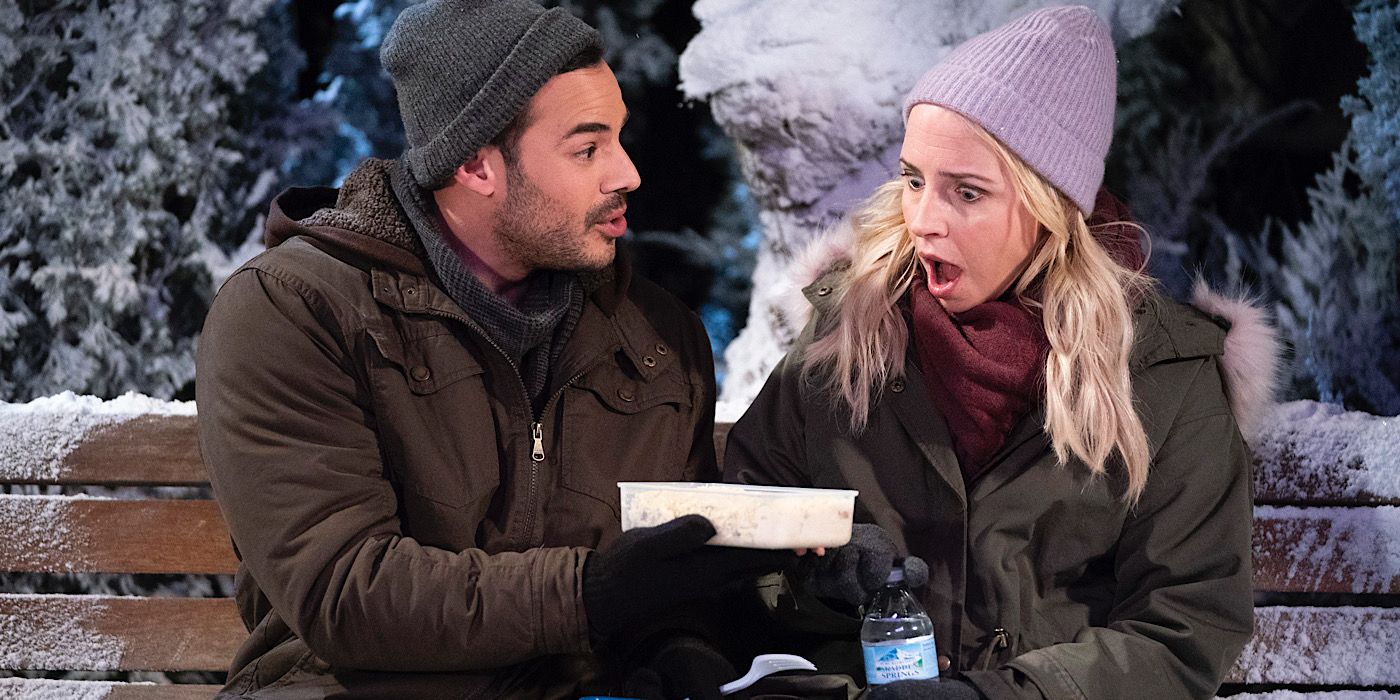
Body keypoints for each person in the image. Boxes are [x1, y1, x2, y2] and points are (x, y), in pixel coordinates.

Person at [197, 1, 791, 697]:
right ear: (476, 164)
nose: (626, 173)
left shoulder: (656, 340)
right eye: (587, 148)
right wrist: (586, 594)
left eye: (620, 139)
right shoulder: (294, 311)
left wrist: (688, 652)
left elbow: (664, 579)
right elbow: (345, 594)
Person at [724, 6, 1277, 699]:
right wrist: (818, 578)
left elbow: (1184, 626)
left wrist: (999, 695)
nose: (924, 219)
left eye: (967, 192)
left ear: (1049, 204)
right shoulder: (848, 337)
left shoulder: (1161, 374)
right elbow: (745, 545)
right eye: (914, 178)